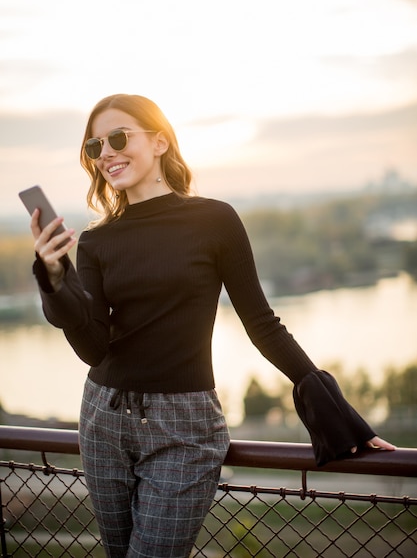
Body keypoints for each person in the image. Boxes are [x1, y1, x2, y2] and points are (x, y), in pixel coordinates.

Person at [29, 94, 394, 558]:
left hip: (185, 427)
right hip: (102, 418)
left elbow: (263, 323)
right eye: (95, 146)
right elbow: (93, 348)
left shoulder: (214, 220)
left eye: (119, 137)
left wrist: (340, 416)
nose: (107, 153)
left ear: (159, 141)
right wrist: (56, 280)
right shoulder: (98, 239)